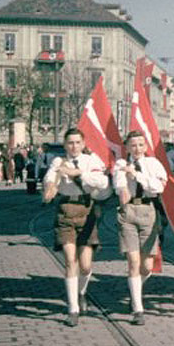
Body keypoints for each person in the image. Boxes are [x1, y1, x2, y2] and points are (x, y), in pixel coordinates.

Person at [42, 128, 112, 327]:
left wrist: (78, 173)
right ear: (65, 145)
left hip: (86, 211)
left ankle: (81, 292)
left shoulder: (92, 161)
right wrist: (49, 187)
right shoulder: (58, 162)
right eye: (70, 143)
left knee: (86, 265)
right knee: (70, 261)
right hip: (65, 211)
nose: (73, 146)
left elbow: (103, 182)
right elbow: (49, 179)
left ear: (83, 144)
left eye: (77, 142)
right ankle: (72, 308)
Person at [113, 130, 168, 326]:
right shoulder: (120, 164)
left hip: (148, 211)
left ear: (146, 147)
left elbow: (158, 187)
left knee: (147, 266)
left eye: (140, 145)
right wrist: (123, 189)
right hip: (128, 212)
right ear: (127, 147)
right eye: (133, 145)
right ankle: (138, 308)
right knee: (133, 262)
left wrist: (136, 174)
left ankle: (136, 289)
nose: (137, 149)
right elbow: (119, 185)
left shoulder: (153, 164)